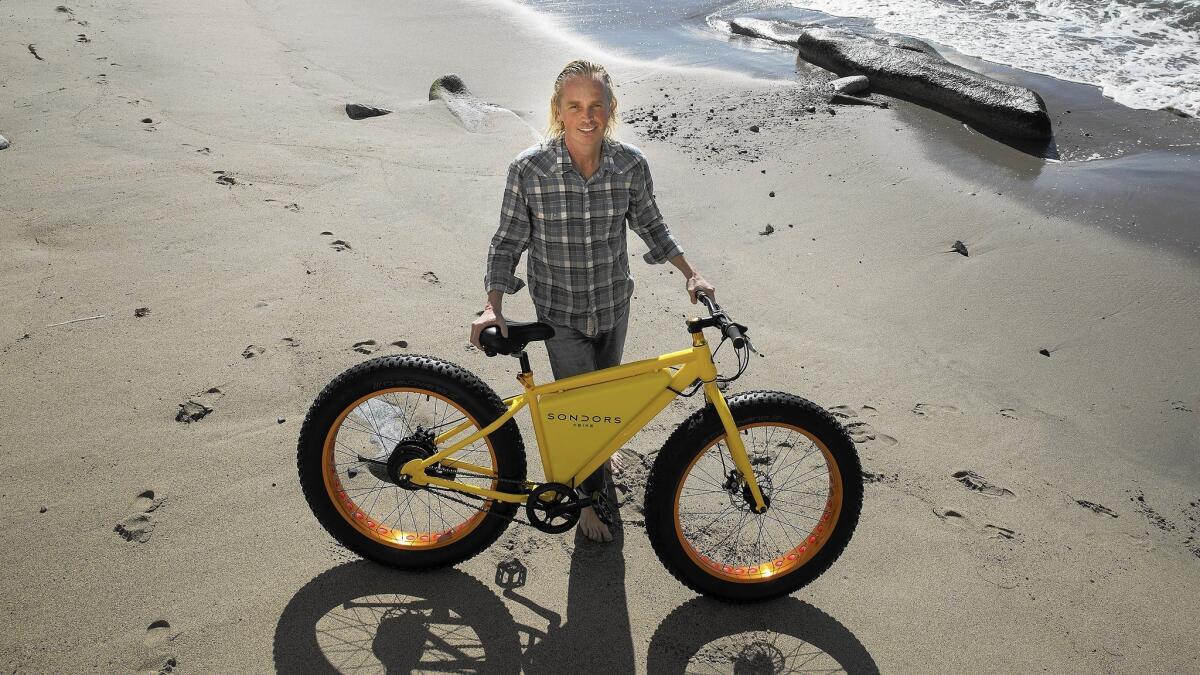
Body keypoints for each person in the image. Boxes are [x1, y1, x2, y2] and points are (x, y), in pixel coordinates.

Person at [470, 60, 716, 542]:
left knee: (605, 395)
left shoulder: (629, 164)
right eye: (576, 106)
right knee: (579, 406)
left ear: (611, 109)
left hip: (612, 304)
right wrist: (492, 305)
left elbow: (652, 225)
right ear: (559, 111)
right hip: (558, 313)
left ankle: (600, 453)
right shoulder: (529, 169)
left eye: (597, 105)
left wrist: (692, 274)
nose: (588, 116)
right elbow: (507, 243)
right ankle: (585, 501)